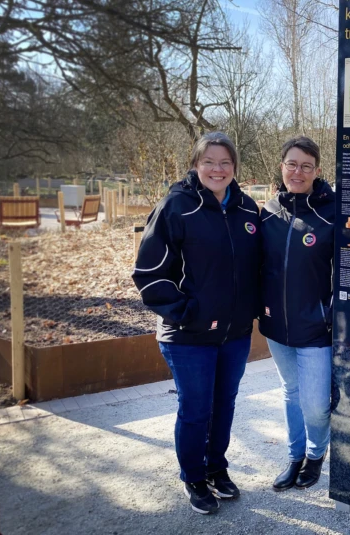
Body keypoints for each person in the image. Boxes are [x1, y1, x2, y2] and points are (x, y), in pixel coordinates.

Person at [132, 132, 261, 515]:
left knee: (224, 405)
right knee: (196, 409)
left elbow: (257, 268)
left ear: (235, 167)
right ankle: (194, 477)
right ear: (195, 165)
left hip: (234, 334)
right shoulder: (176, 207)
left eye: (225, 162)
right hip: (188, 336)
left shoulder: (247, 209)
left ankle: (216, 468)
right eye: (209, 162)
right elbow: (149, 275)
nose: (217, 169)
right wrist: (187, 312)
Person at [259, 136, 335, 491]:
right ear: (282, 167)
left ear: (317, 171)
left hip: (315, 327)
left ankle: (316, 453)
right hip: (276, 326)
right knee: (291, 393)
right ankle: (294, 457)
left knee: (317, 405)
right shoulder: (269, 212)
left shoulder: (331, 212)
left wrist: (333, 312)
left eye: (306, 166)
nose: (298, 172)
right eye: (292, 164)